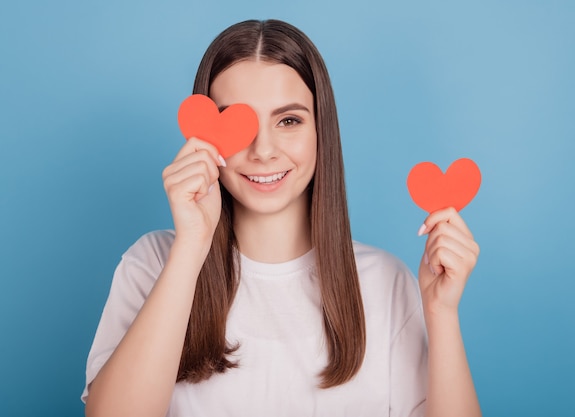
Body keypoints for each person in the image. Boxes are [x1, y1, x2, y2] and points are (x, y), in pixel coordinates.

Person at [82, 19, 481, 417]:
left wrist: (441, 314)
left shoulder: (387, 283)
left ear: (320, 129)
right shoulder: (152, 263)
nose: (264, 150)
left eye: (288, 120)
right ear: (204, 135)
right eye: (240, 123)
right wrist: (190, 247)